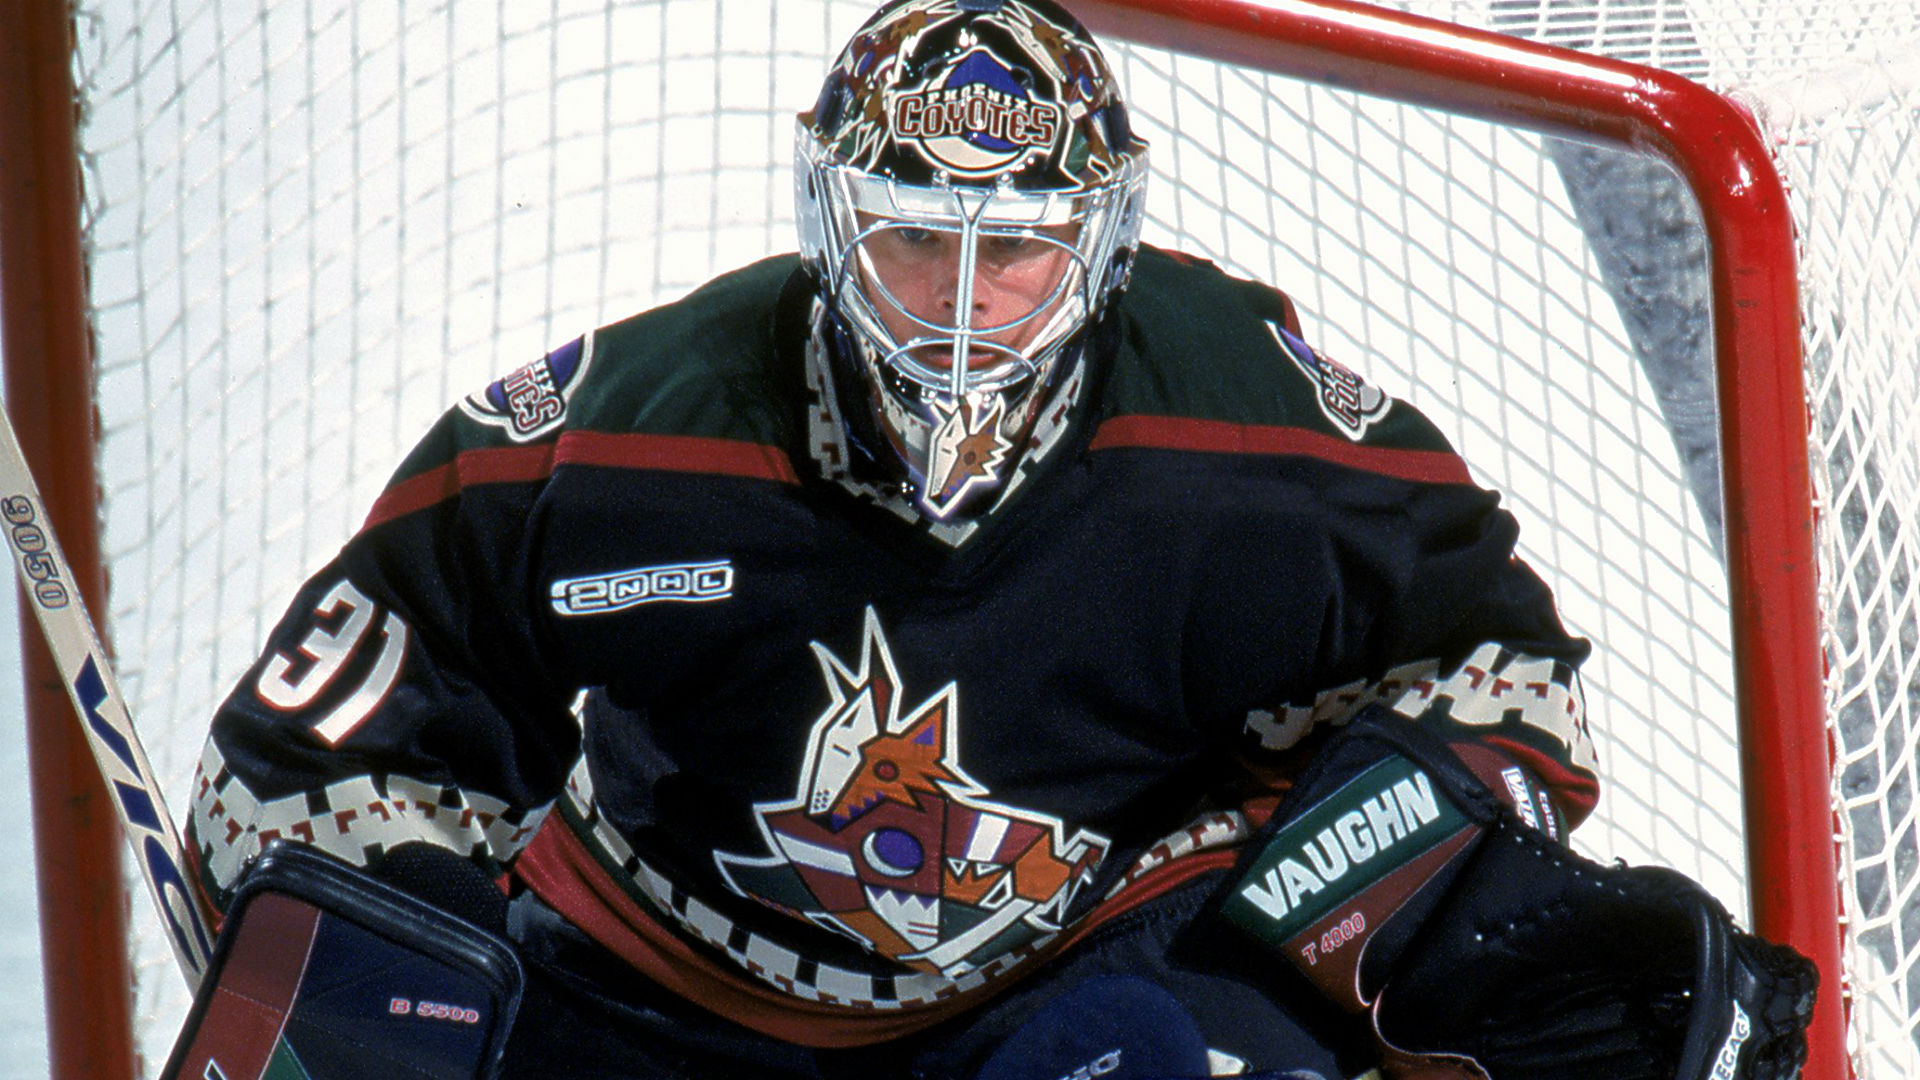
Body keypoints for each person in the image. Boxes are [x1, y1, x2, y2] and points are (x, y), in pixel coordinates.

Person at [182, 2, 1810, 1078]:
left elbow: (1493, 664)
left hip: (1073, 978)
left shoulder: (1258, 437)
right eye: (909, 242)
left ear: (1099, 246)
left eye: (1015, 253)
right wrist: (370, 950)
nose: (961, 313)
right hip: (661, 988)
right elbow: (315, 740)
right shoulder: (618, 434)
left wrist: (1403, 876)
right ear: (830, 223)